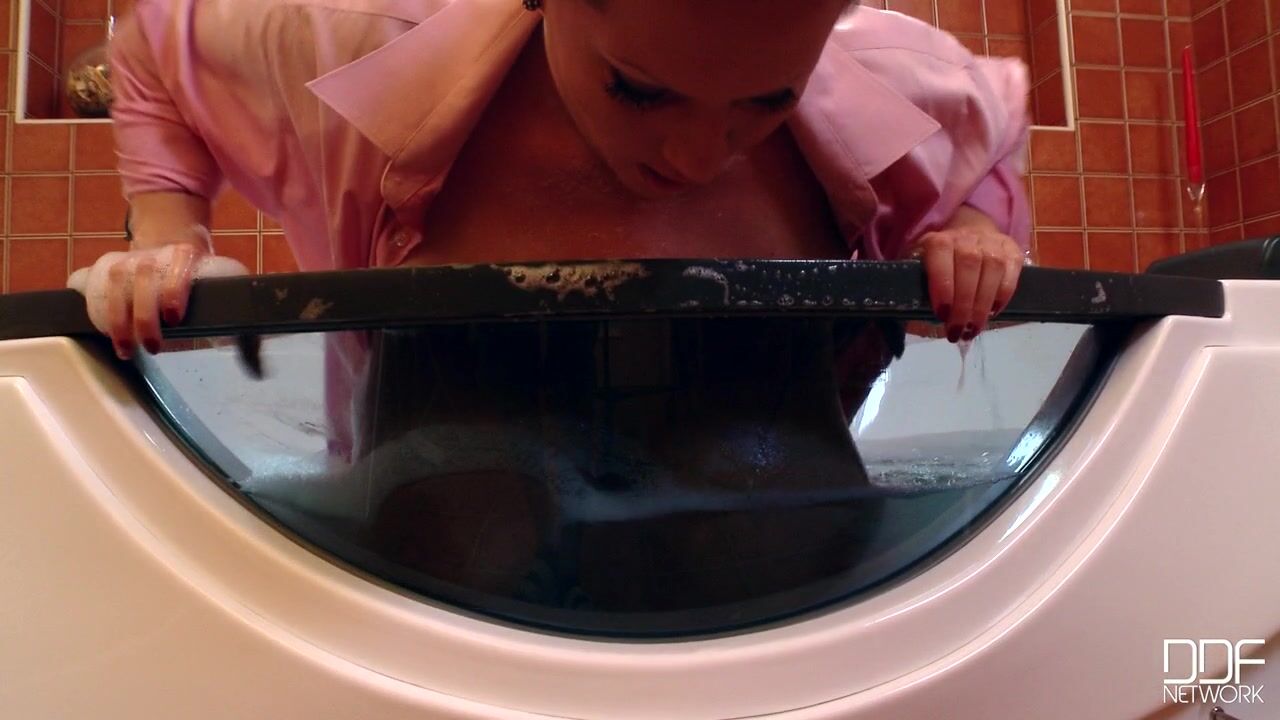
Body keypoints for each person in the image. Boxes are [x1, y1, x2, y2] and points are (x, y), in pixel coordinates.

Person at [70, 0, 1031, 457]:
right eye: (640, 91)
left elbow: (997, 113)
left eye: (766, 102)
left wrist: (975, 229)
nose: (697, 157)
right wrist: (170, 231)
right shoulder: (350, 35)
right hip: (433, 578)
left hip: (773, 581)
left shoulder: (894, 78)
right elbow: (150, 43)